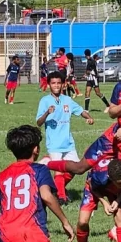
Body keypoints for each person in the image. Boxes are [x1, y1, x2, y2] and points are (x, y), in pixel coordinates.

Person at [47, 60, 121, 242]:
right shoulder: (120, 88)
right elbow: (112, 113)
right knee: (81, 167)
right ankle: (46, 163)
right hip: (115, 134)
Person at [36, 71, 95, 205]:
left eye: (58, 83)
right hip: (54, 144)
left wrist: (89, 117)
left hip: (68, 143)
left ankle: (55, 184)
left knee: (76, 168)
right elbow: (39, 122)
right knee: (59, 171)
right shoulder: (45, 101)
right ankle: (61, 197)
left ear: (63, 85)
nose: (56, 85)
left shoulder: (67, 100)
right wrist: (47, 113)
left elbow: (80, 111)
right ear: (49, 85)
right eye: (53, 83)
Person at [66, 158, 121, 242]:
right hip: (94, 188)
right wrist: (104, 203)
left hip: (114, 190)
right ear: (111, 178)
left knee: (120, 217)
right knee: (82, 222)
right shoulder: (99, 177)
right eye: (120, 183)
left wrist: (118, 199)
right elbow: (92, 187)